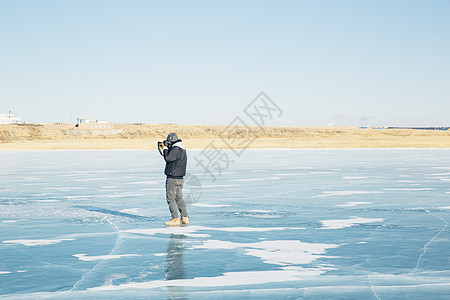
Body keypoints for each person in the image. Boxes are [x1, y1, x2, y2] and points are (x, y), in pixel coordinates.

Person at [158, 133, 188, 226]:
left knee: (170, 198)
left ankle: (175, 218)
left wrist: (165, 149)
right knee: (179, 198)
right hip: (180, 178)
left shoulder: (175, 148)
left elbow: (168, 158)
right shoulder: (182, 149)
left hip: (173, 177)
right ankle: (184, 217)